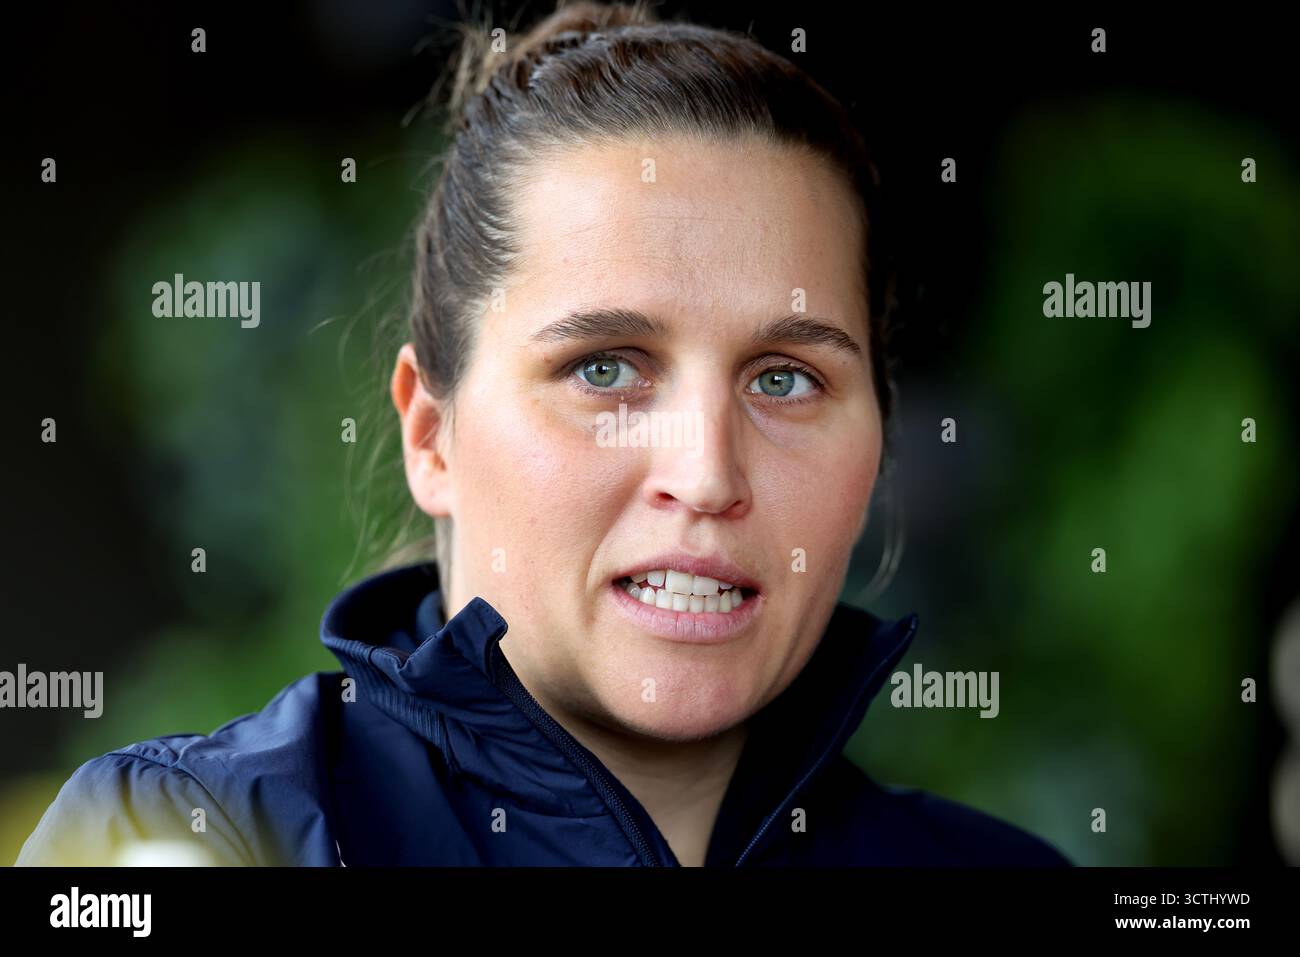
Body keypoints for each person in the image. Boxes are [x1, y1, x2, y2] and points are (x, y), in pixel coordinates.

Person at [17, 0, 1070, 867]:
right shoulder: (189, 841)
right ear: (431, 437)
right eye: (604, 369)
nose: (706, 474)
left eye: (786, 378)